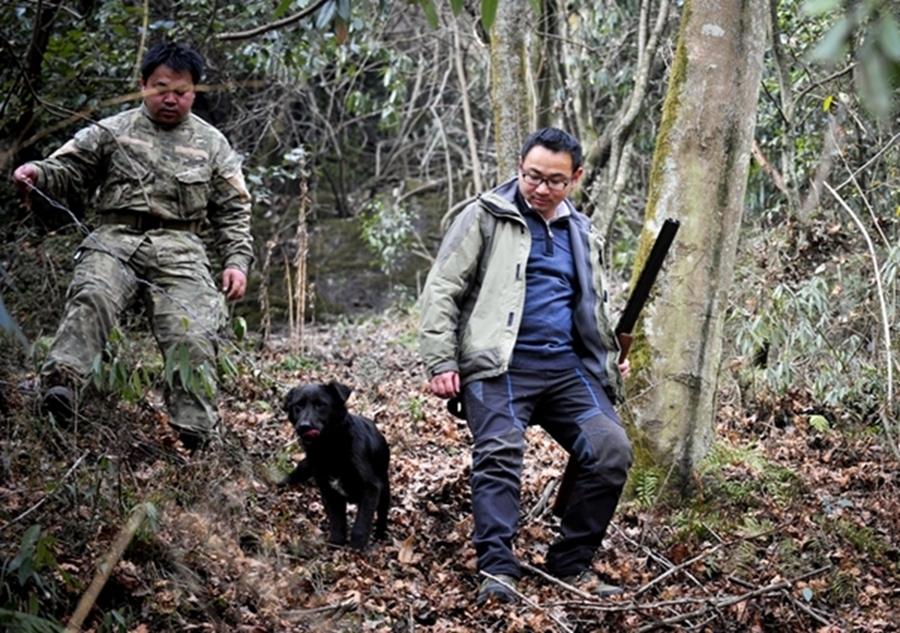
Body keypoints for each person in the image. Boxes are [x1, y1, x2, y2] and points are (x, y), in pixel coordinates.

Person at [419, 128, 633, 604]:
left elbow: (591, 306)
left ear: (575, 178)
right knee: (499, 453)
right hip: (498, 366)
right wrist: (440, 360)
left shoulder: (582, 232)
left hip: (564, 368)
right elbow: (441, 289)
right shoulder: (485, 216)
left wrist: (609, 357)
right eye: (532, 176)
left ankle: (570, 566)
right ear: (519, 166)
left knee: (611, 452)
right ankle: (497, 571)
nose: (541, 188)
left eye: (555, 181)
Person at [12, 42, 254, 452]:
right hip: (115, 236)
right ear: (143, 85)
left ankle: (193, 429)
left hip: (181, 246)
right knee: (92, 295)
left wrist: (236, 262)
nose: (171, 98)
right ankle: (61, 389)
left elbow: (234, 210)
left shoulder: (213, 145)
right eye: (161, 87)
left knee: (192, 330)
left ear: (195, 92)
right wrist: (37, 171)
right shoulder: (112, 130)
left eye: (182, 90)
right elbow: (69, 169)